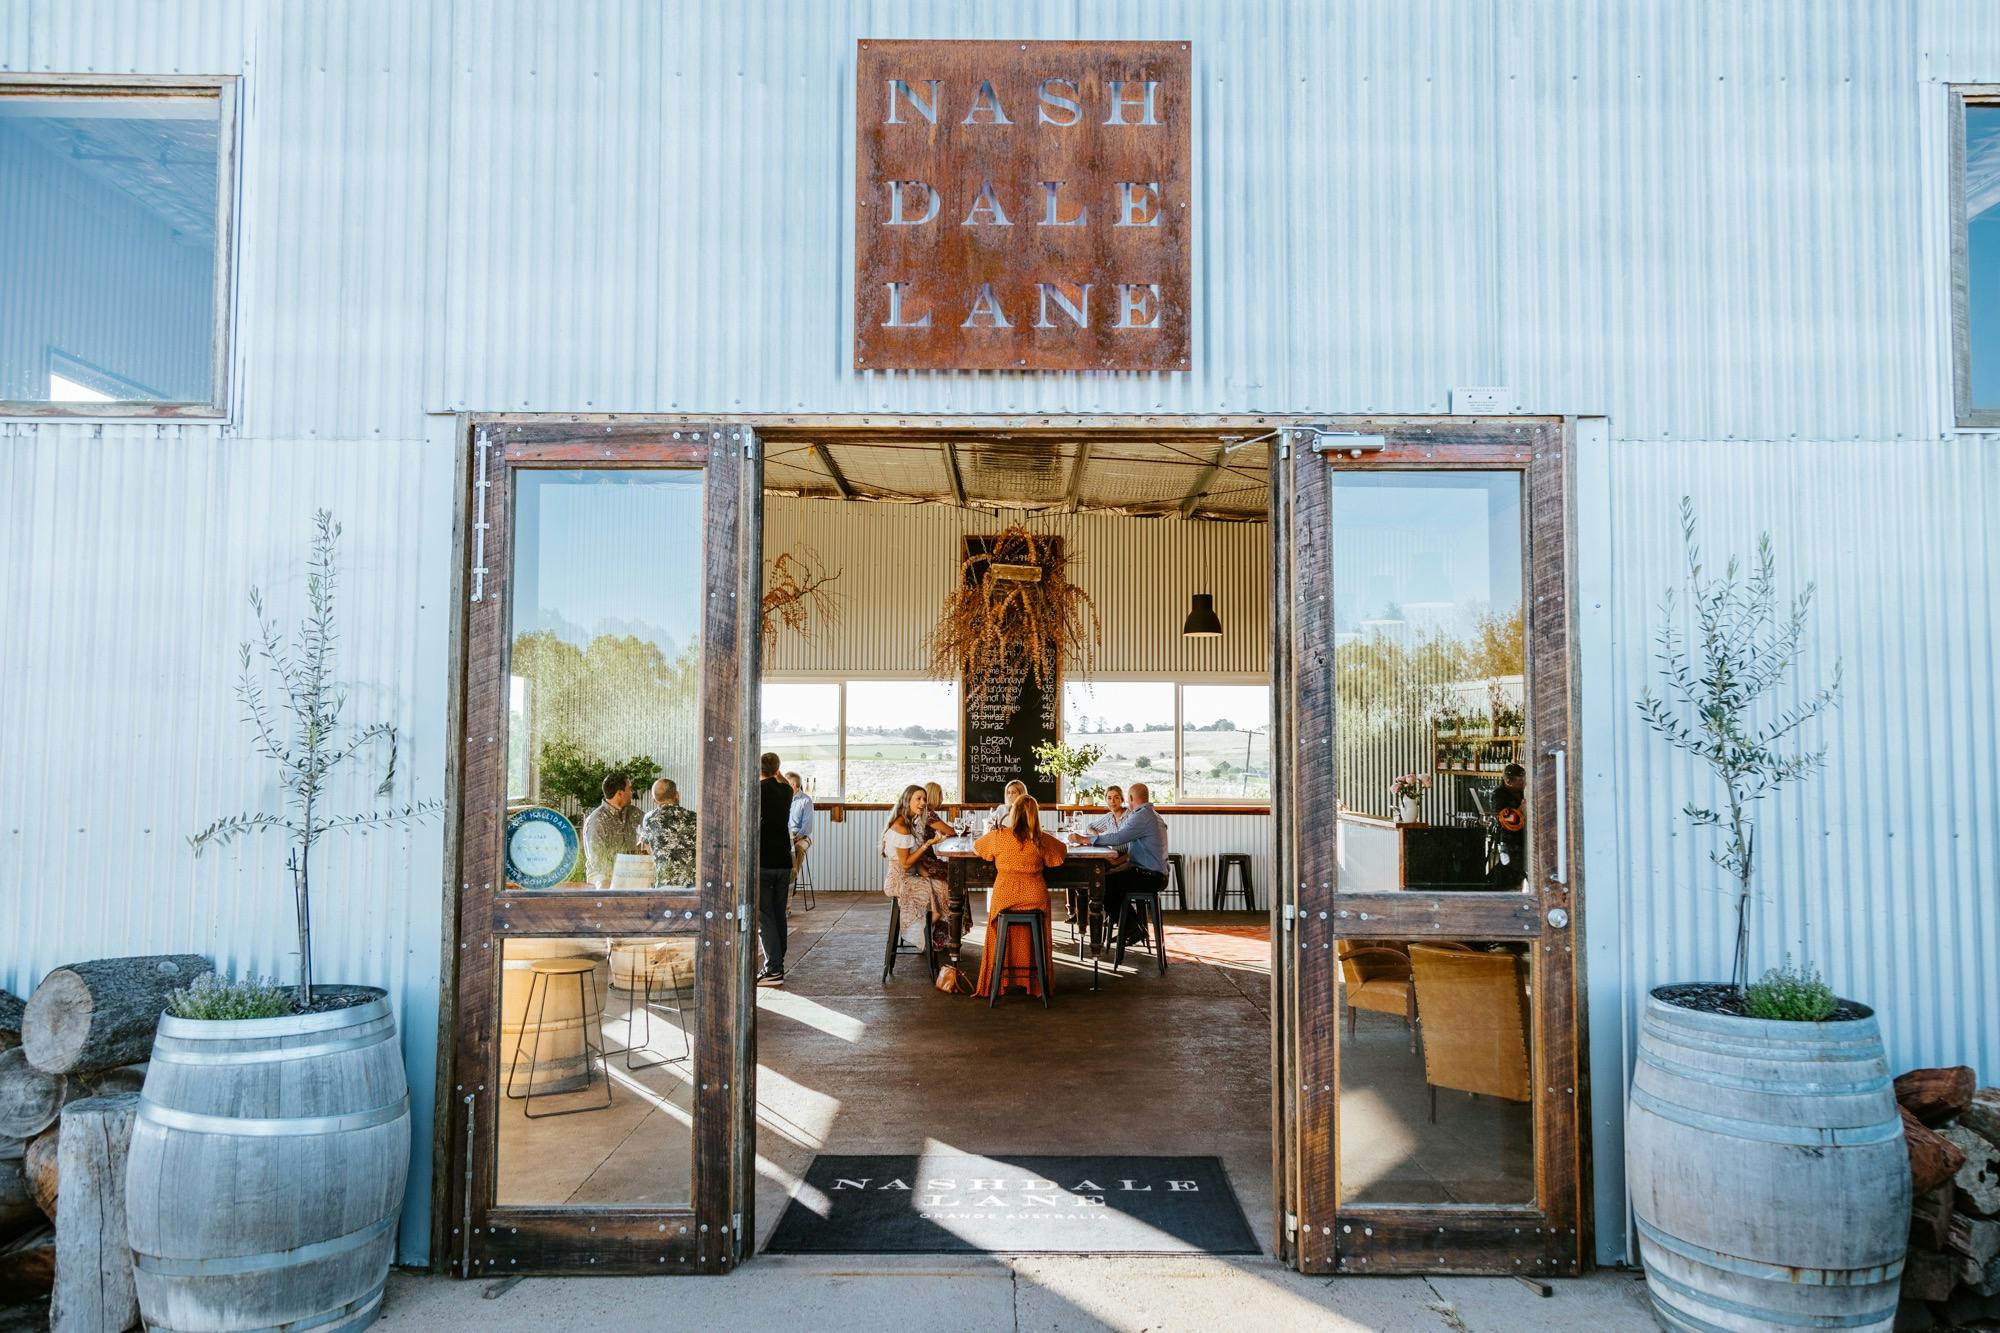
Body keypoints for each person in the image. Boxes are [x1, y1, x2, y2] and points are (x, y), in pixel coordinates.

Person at [973, 794, 1067, 1000]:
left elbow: (977, 847)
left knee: (998, 928)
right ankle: (1036, 985)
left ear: (1012, 813)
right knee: (1038, 924)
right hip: (1034, 896)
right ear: (1036, 815)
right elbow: (1060, 854)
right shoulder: (1041, 838)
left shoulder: (999, 835)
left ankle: (998, 981)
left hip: (1005, 896)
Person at [1072, 781, 1167, 950]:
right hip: (1153, 873)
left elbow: (1118, 838)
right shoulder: (1150, 813)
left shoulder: (1140, 816)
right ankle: (1131, 927)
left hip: (1149, 876)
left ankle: (1133, 929)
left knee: (1102, 886)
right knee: (1108, 881)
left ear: (1129, 798)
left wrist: (1085, 839)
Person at [881, 784, 952, 951]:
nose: (922, 803)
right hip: (898, 880)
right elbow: (906, 863)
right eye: (918, 799)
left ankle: (929, 934)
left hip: (911, 876)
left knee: (944, 886)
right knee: (940, 892)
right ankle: (920, 933)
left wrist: (929, 875)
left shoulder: (911, 823)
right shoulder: (902, 826)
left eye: (924, 799)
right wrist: (927, 844)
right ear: (907, 801)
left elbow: (917, 864)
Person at [756, 752, 793, 986]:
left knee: (764, 916)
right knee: (779, 914)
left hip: (763, 860)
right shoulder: (786, 791)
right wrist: (777, 772)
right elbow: (787, 783)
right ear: (778, 768)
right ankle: (778, 962)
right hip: (783, 859)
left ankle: (774, 969)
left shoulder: (757, 790)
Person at [582, 771, 643, 887]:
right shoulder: (596, 820)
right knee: (604, 884)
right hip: (604, 876)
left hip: (632, 874)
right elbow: (598, 861)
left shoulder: (635, 813)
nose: (632, 792)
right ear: (620, 793)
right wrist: (623, 876)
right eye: (629, 789)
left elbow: (650, 829)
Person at [638, 777, 699, 887]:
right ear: (677, 795)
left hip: (664, 886)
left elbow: (646, 848)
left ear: (654, 801)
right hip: (691, 886)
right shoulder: (695, 818)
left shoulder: (649, 819)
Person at [1489, 763, 1528, 889]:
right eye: (1520, 781)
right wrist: (1521, 810)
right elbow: (1507, 820)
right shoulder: (1499, 795)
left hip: (1523, 838)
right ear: (1508, 781)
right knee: (1510, 870)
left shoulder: (1521, 791)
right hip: (1508, 840)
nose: (1524, 783)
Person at [786, 771, 814, 890]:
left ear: (793, 785)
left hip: (802, 836)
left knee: (797, 848)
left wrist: (797, 837)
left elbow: (807, 826)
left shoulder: (806, 801)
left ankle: (792, 878)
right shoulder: (783, 798)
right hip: (786, 835)